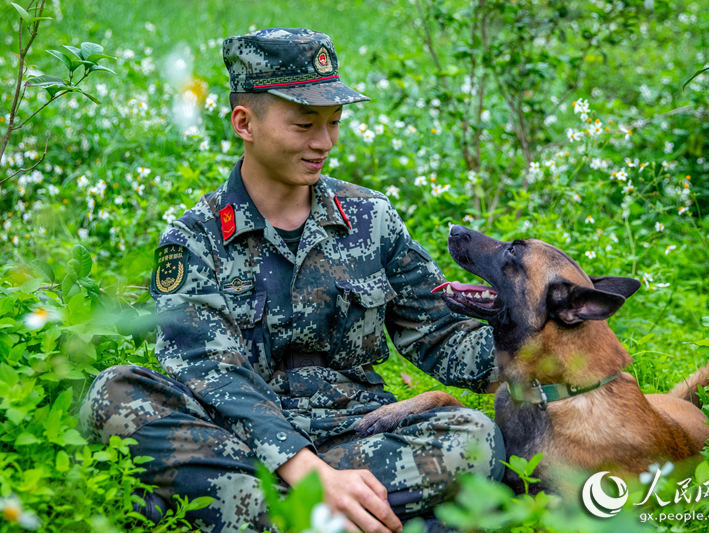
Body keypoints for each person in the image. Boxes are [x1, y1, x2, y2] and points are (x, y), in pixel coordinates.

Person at [80, 28, 503, 533]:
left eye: (334, 123)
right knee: (114, 394)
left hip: (354, 434)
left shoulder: (372, 218)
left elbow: (440, 334)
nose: (324, 143)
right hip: (236, 438)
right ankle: (356, 517)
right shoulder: (195, 237)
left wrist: (539, 332)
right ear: (245, 122)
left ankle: (238, 514)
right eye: (304, 124)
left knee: (476, 438)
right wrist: (306, 471)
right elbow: (208, 370)